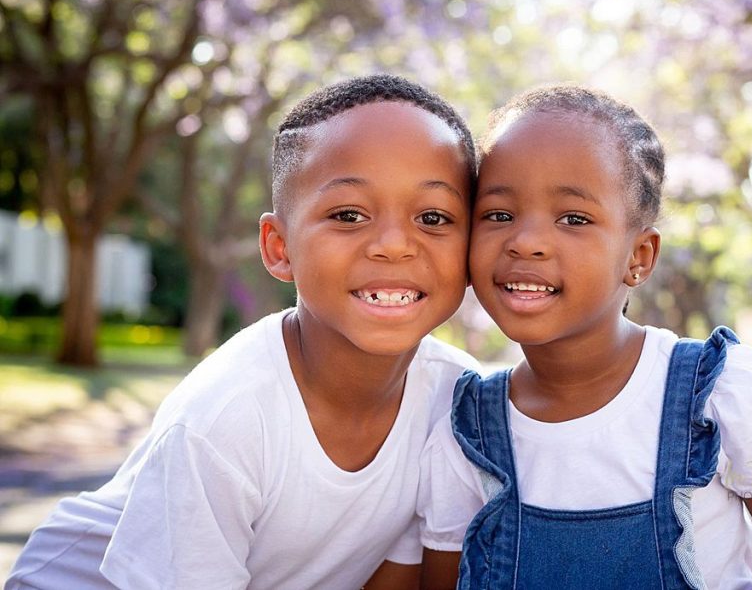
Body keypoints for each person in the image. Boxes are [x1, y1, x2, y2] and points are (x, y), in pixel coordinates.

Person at [6, 75, 479, 590]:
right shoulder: (228, 418)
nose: (393, 244)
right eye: (348, 214)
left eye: (433, 217)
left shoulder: (457, 402)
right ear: (279, 247)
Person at [417, 85, 752, 589]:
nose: (526, 241)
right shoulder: (465, 431)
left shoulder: (722, 395)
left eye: (573, 218)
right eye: (499, 215)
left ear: (639, 257)